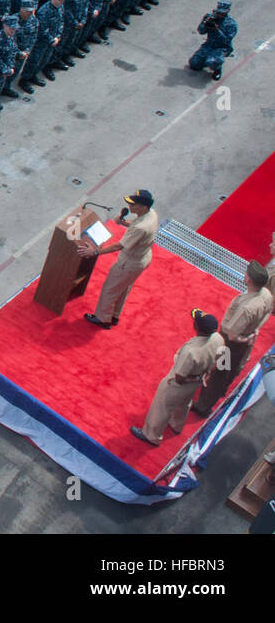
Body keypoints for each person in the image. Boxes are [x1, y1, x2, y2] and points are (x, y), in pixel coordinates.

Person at [130, 310, 225, 446]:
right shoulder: (218, 338)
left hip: (181, 383)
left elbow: (180, 378)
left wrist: (196, 377)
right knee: (184, 403)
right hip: (196, 381)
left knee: (161, 407)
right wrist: (206, 373)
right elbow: (223, 361)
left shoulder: (190, 352)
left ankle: (151, 435)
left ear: (197, 327)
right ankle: (176, 424)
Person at [191, 261, 273, 416]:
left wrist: (245, 338)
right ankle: (221, 390)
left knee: (219, 372)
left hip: (230, 343)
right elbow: (268, 312)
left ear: (249, 280)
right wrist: (254, 332)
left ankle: (204, 405)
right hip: (242, 341)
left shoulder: (247, 308)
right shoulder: (266, 295)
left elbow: (232, 335)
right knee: (232, 368)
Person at [81, 190, 160, 328]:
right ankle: (114, 315)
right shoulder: (151, 214)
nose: (130, 207)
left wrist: (95, 251)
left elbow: (120, 245)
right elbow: (137, 225)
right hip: (143, 258)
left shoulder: (140, 228)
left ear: (143, 206)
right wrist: (125, 223)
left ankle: (102, 318)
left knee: (110, 289)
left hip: (129, 262)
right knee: (123, 288)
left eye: (133, 205)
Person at [187, 0, 238, 79]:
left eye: (222, 12)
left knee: (212, 62)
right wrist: (205, 23)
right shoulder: (211, 17)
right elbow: (201, 31)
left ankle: (217, 68)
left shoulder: (231, 24)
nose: (220, 14)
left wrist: (216, 30)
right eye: (219, 12)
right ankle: (206, 59)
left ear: (227, 11)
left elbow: (226, 40)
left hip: (221, 47)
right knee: (194, 64)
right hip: (209, 44)